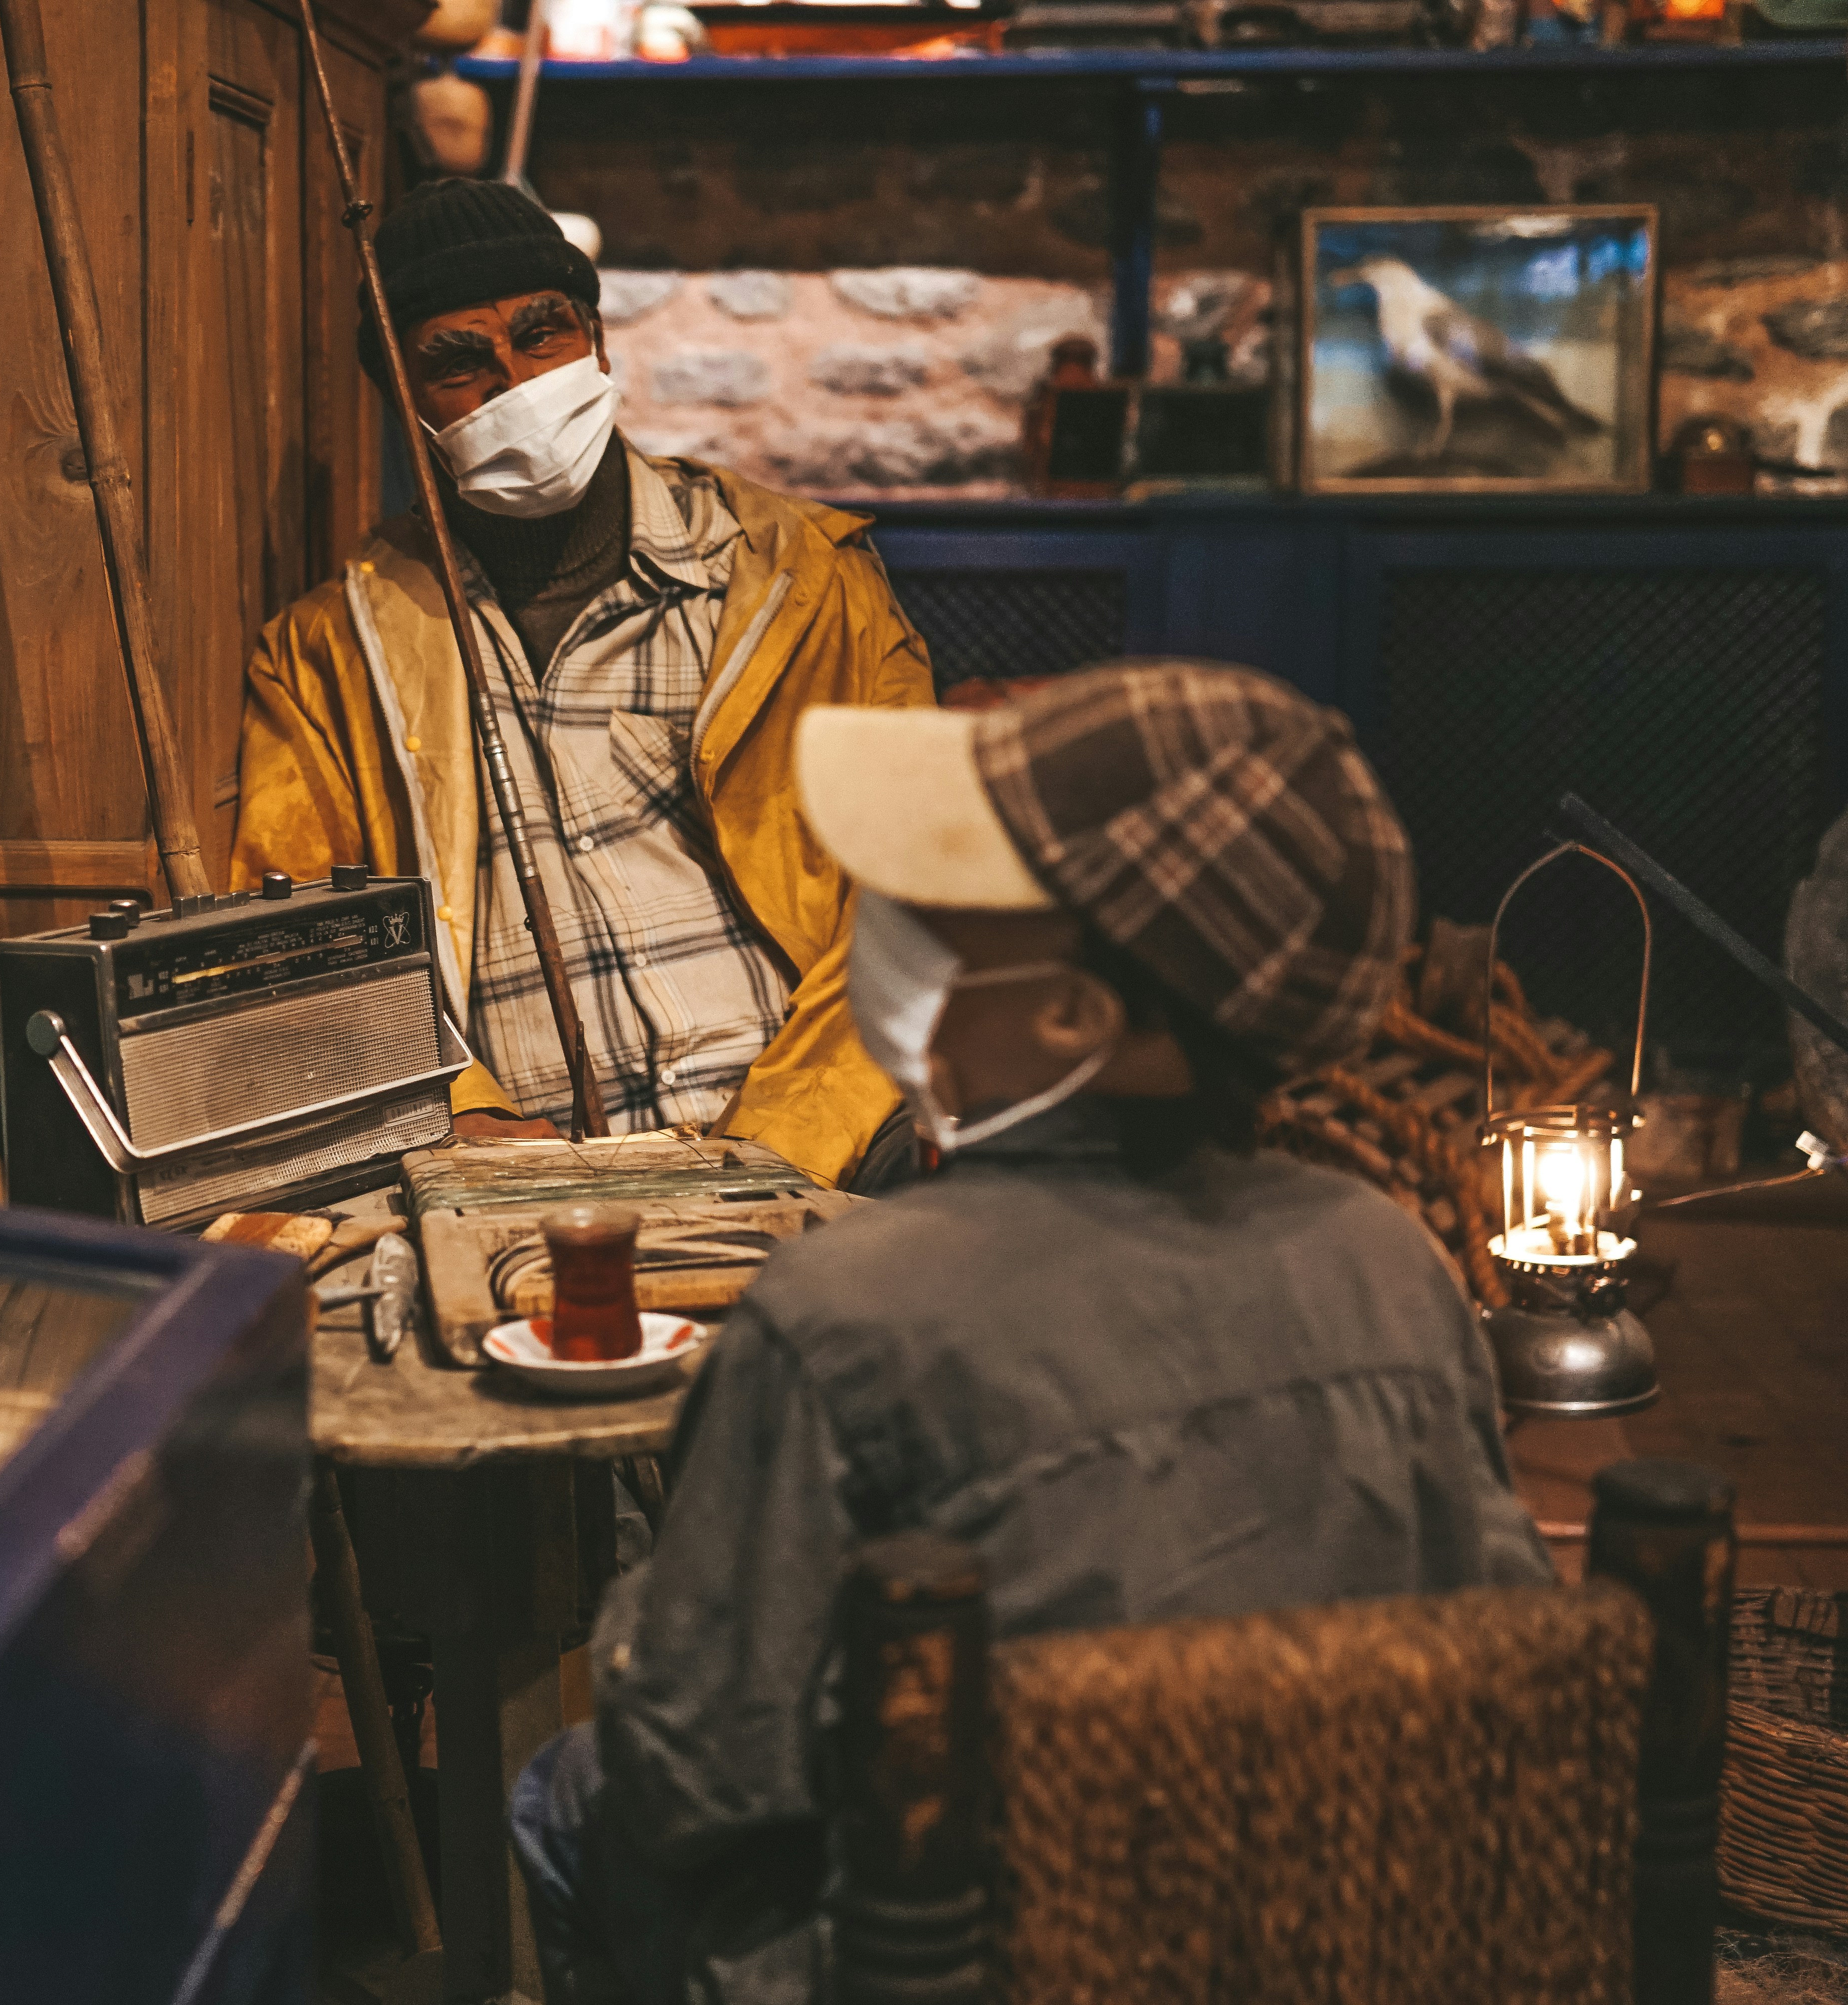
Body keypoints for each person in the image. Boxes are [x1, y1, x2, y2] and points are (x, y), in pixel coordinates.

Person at [509, 662, 1555, 2005]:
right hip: (1325, 1945)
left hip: (962, 1965)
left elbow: (701, 1768)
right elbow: (1505, 1664)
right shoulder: (1392, 1268)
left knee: (569, 1784)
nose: (892, 931)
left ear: (1079, 1016)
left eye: (950, 908)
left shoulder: (842, 1318)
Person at [227, 178, 934, 1187]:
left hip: (829, 1138)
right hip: (523, 1178)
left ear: (598, 343)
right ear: (402, 401)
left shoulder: (793, 575)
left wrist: (787, 1142)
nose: (511, 382)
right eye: (457, 363)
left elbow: (913, 884)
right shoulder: (331, 654)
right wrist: (453, 1116)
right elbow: (298, 942)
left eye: (541, 333)